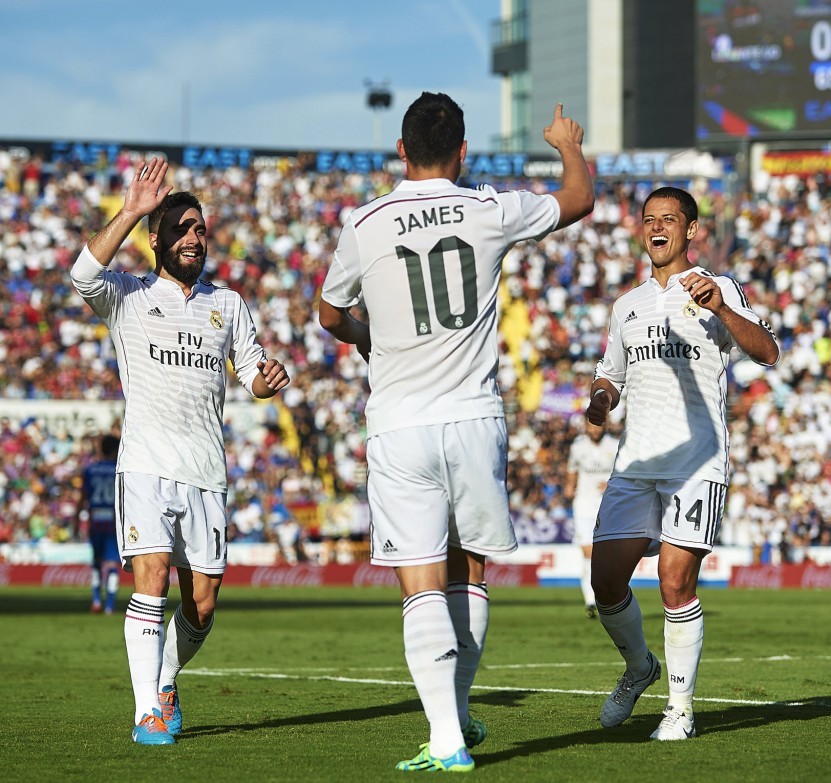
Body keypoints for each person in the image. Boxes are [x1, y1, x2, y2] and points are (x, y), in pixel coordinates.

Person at [318, 92, 593, 772]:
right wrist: (565, 143)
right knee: (469, 570)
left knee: (420, 583)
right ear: (464, 151)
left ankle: (445, 737)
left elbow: (328, 314)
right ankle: (457, 717)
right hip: (472, 416)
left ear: (401, 150)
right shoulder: (488, 207)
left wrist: (367, 338)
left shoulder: (366, 221)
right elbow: (578, 198)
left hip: (401, 422)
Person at [70, 157, 290, 746]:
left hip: (205, 470)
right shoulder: (129, 296)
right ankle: (146, 713)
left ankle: (165, 679)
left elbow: (252, 376)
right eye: (182, 228)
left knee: (203, 602)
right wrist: (133, 209)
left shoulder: (230, 305)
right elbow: (81, 272)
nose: (194, 237)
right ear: (157, 240)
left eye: (200, 229)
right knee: (152, 577)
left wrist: (268, 379)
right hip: (144, 464)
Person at [585, 186, 779, 741]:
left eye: (668, 219)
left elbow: (767, 351)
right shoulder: (628, 305)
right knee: (605, 582)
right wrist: (601, 398)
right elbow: (611, 374)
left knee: (675, 583)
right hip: (636, 462)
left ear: (691, 230)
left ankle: (680, 710)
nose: (656, 227)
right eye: (649, 220)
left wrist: (720, 307)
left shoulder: (717, 290)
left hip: (696, 463)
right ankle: (640, 666)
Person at [565, 416, 618, 619]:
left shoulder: (614, 445)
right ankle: (590, 601)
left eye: (598, 426)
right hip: (584, 504)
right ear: (586, 426)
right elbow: (572, 470)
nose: (595, 430)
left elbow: (624, 472)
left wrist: (610, 484)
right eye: (591, 425)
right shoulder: (577, 447)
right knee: (588, 552)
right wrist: (570, 486)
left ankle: (610, 598)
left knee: (609, 554)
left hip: (609, 504)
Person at [80, 433, 121, 614]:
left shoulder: (90, 470)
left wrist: (76, 520)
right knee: (112, 564)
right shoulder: (118, 470)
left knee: (96, 562)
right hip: (113, 521)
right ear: (114, 449)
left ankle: (96, 600)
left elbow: (83, 498)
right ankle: (110, 606)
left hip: (96, 519)